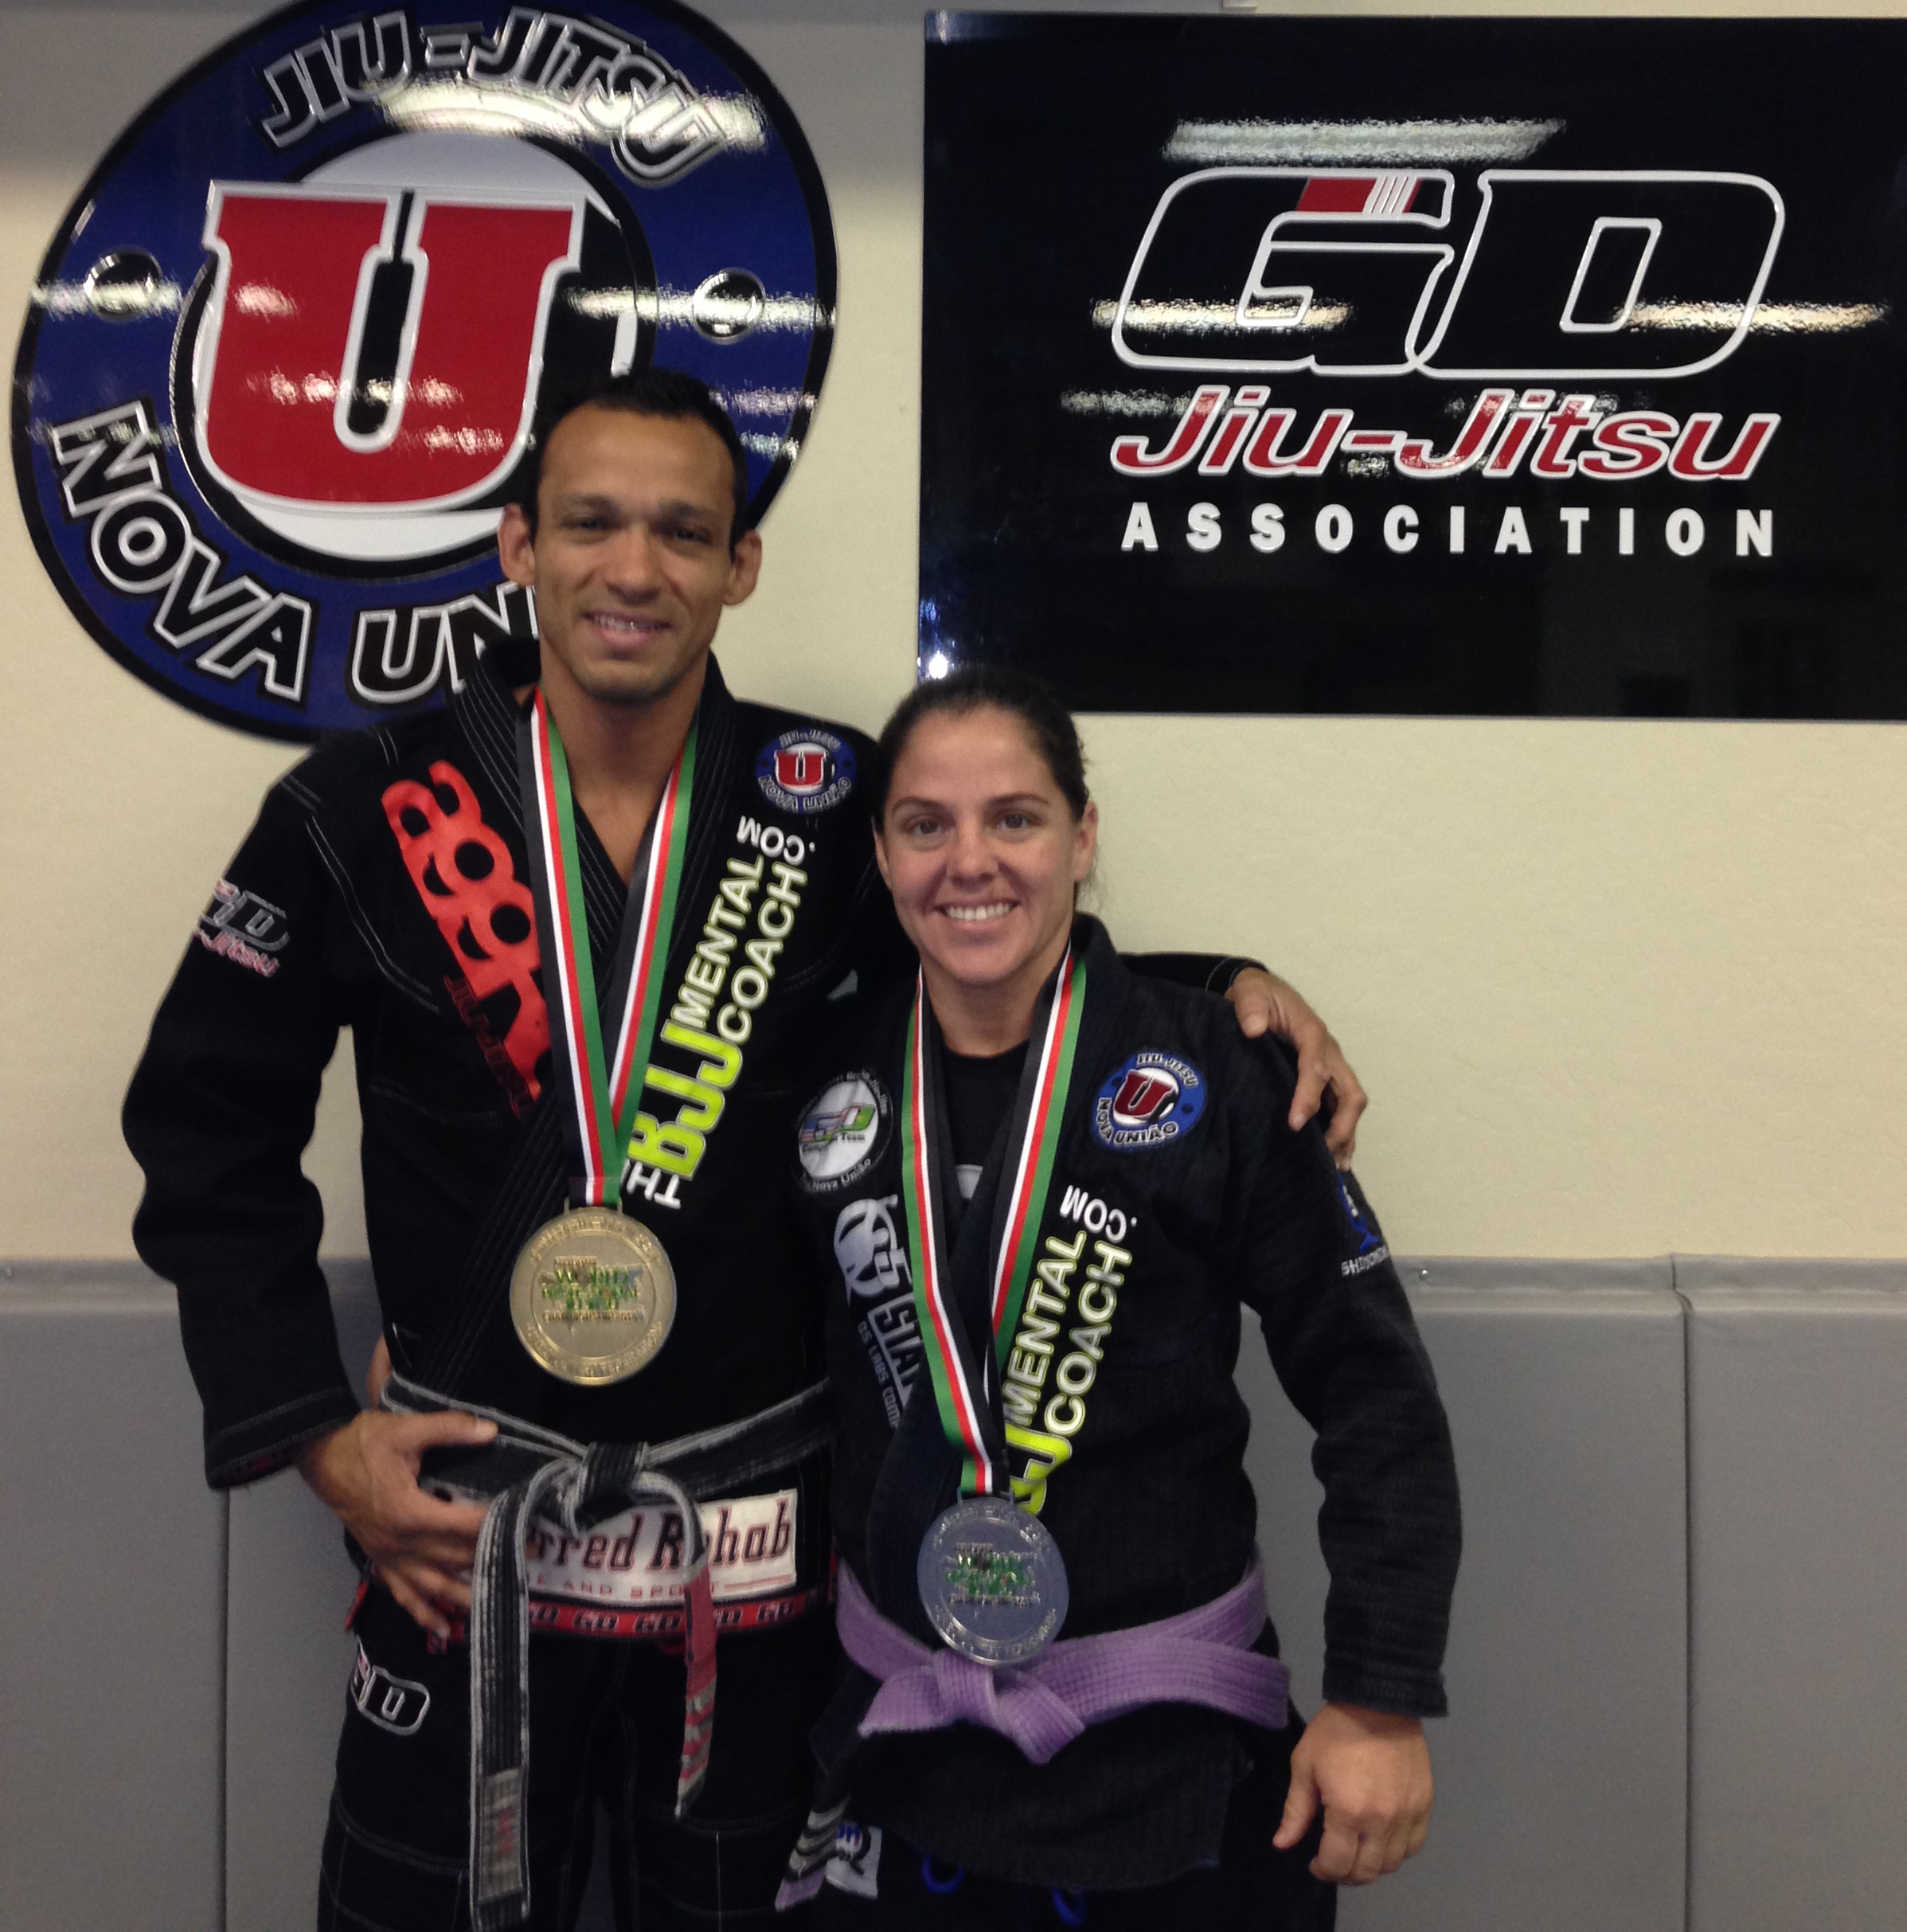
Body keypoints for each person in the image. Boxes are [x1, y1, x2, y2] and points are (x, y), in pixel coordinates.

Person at [122, 371, 1366, 1932]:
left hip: (760, 1562)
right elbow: (203, 1133)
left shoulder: (825, 797)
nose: (633, 569)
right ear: (515, 545)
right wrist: (312, 1431)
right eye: (589, 522)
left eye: (681, 531)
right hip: (467, 1547)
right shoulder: (359, 810)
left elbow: (986, 953)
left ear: (739, 564)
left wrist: (1214, 997)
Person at [782, 666, 1461, 1927]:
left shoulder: (1216, 1071)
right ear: (879, 852)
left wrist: (1377, 1697)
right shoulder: (823, 1078)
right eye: (926, 824)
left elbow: (1373, 1391)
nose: (969, 861)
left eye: (1017, 819)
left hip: (1172, 1759)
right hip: (900, 1756)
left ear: (1083, 836)